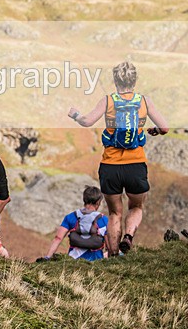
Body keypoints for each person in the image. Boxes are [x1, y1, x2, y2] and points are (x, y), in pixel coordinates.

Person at [68, 61, 168, 254]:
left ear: (115, 80)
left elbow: (87, 121)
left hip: (110, 165)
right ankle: (128, 237)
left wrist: (75, 114)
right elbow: (164, 127)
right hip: (136, 164)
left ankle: (114, 256)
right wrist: (154, 130)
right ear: (135, 80)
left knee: (115, 212)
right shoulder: (144, 101)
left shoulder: (108, 100)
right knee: (136, 206)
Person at [40, 186, 108, 262]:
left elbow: (58, 238)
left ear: (84, 199)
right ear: (98, 202)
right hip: (96, 262)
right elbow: (109, 244)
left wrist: (47, 257)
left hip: (73, 261)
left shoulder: (71, 217)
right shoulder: (104, 219)